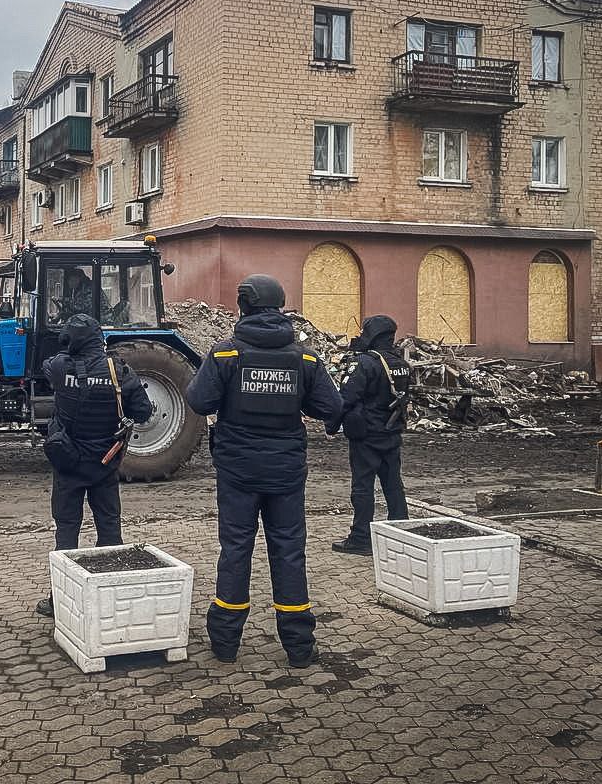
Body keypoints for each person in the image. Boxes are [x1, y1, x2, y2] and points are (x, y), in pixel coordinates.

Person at [185, 275, 342, 668]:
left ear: (243, 307)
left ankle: (225, 643)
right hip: (287, 473)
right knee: (289, 551)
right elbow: (330, 407)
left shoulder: (225, 355)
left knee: (236, 549)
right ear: (279, 306)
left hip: (237, 472)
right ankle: (299, 647)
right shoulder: (304, 358)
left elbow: (199, 401)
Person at [36, 313, 154, 617]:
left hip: (68, 464)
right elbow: (143, 412)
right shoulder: (119, 371)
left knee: (66, 532)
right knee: (110, 530)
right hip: (104, 465)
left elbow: (49, 363)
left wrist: (70, 351)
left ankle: (60, 601)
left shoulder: (60, 367)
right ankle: (111, 598)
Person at [327, 315, 412, 556]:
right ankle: (402, 534)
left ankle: (361, 538)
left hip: (366, 436)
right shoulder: (402, 364)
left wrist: (331, 426)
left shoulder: (365, 363)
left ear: (372, 335)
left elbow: (345, 398)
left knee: (363, 488)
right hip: (392, 433)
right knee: (393, 485)